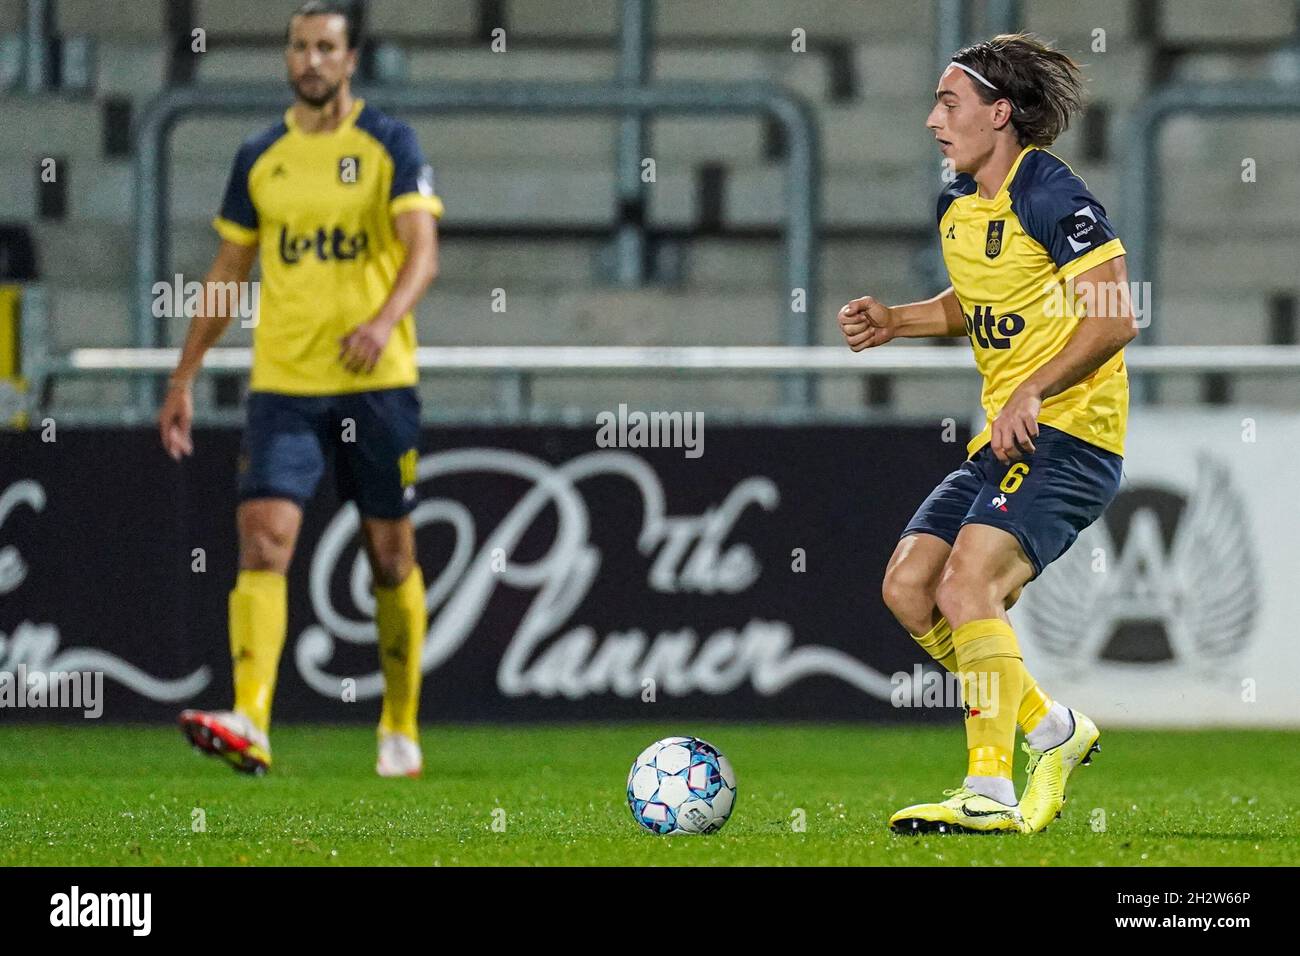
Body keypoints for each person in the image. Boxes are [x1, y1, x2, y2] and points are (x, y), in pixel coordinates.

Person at [838, 34, 1137, 833]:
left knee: (968, 585)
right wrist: (900, 319)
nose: (934, 120)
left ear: (1000, 114)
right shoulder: (958, 202)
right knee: (908, 587)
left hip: (1071, 436)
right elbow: (983, 299)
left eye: (949, 103)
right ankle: (1052, 731)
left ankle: (988, 791)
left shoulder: (1052, 193)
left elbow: (1115, 317)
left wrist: (1034, 388)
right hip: (1008, 438)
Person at [159, 0, 442, 777]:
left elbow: (422, 251)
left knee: (390, 555)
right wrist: (184, 374)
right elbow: (228, 272)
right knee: (264, 539)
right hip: (284, 384)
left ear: (351, 61)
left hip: (377, 383)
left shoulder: (390, 143)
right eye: (299, 47)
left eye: (326, 47)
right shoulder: (260, 155)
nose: (311, 60)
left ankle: (398, 722)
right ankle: (250, 720)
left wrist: (384, 321)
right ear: (287, 59)